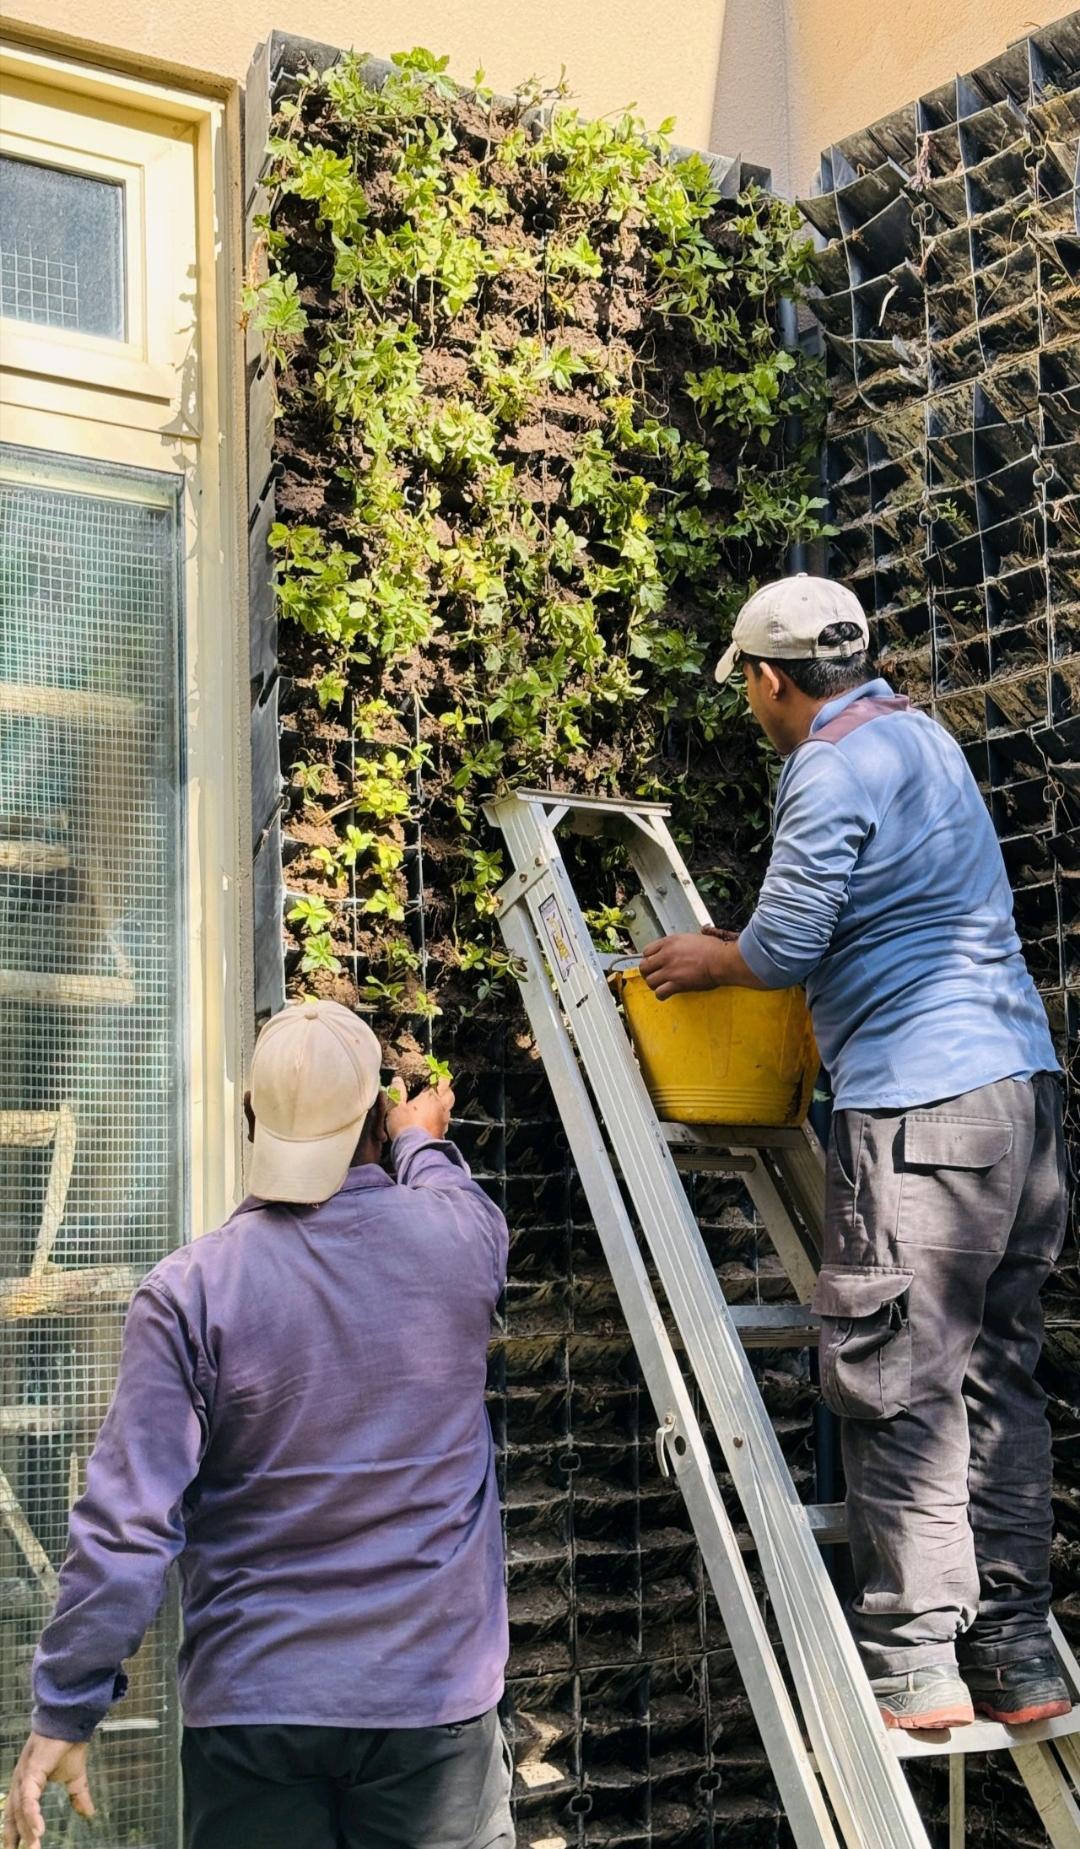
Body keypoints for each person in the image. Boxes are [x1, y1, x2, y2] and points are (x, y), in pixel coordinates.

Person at [640, 573, 1072, 1733]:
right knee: (998, 1375)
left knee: (900, 1377)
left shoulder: (825, 766)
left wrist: (710, 958)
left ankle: (915, 1661)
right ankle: (1018, 1650)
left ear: (769, 679)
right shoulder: (924, 739)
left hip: (919, 1107)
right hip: (1021, 1101)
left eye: (747, 685)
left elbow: (786, 942)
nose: (751, 704)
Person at [4, 1000, 513, 1847]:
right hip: (432, 1706)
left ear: (251, 1117)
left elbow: (128, 1525)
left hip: (252, 1711)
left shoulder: (189, 1292)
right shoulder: (460, 1239)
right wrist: (418, 1137)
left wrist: (66, 1708)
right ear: (374, 1123)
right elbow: (445, 1183)